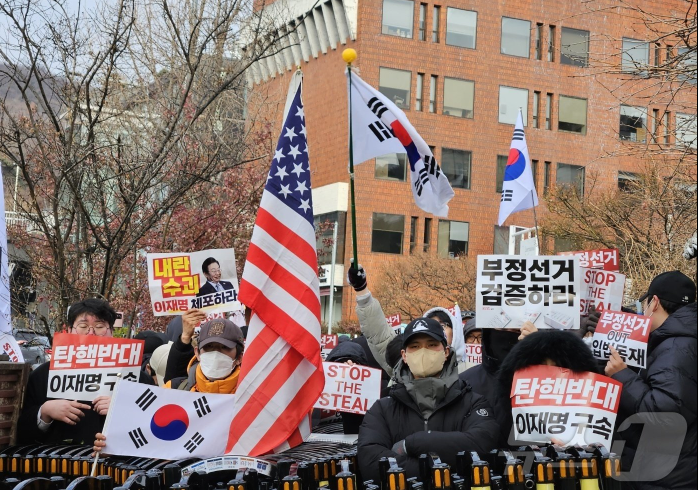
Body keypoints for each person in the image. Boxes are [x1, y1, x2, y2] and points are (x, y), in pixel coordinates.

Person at [357, 317, 499, 482]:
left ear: (446, 352)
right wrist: (439, 471)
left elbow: (482, 447)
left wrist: (412, 443)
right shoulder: (382, 409)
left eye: (432, 345)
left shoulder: (473, 403)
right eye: (415, 346)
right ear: (404, 355)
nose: (423, 352)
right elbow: (371, 462)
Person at [605, 270, 696, 489]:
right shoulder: (678, 340)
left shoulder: (676, 348)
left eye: (645, 304)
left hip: (667, 474)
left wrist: (623, 376)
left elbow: (666, 413)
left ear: (654, 302)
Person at [18, 298, 153, 444]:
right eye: (83, 326)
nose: (91, 334)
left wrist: (124, 410)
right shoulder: (43, 375)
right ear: (69, 330)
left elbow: (154, 425)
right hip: (57, 456)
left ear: (112, 332)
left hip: (116, 457)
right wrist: (45, 411)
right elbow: (22, 432)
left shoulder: (136, 377)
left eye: (99, 326)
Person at [164, 309, 244, 393]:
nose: (215, 353)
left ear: (239, 357)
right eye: (209, 346)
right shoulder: (172, 389)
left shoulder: (250, 396)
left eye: (224, 347)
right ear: (197, 353)